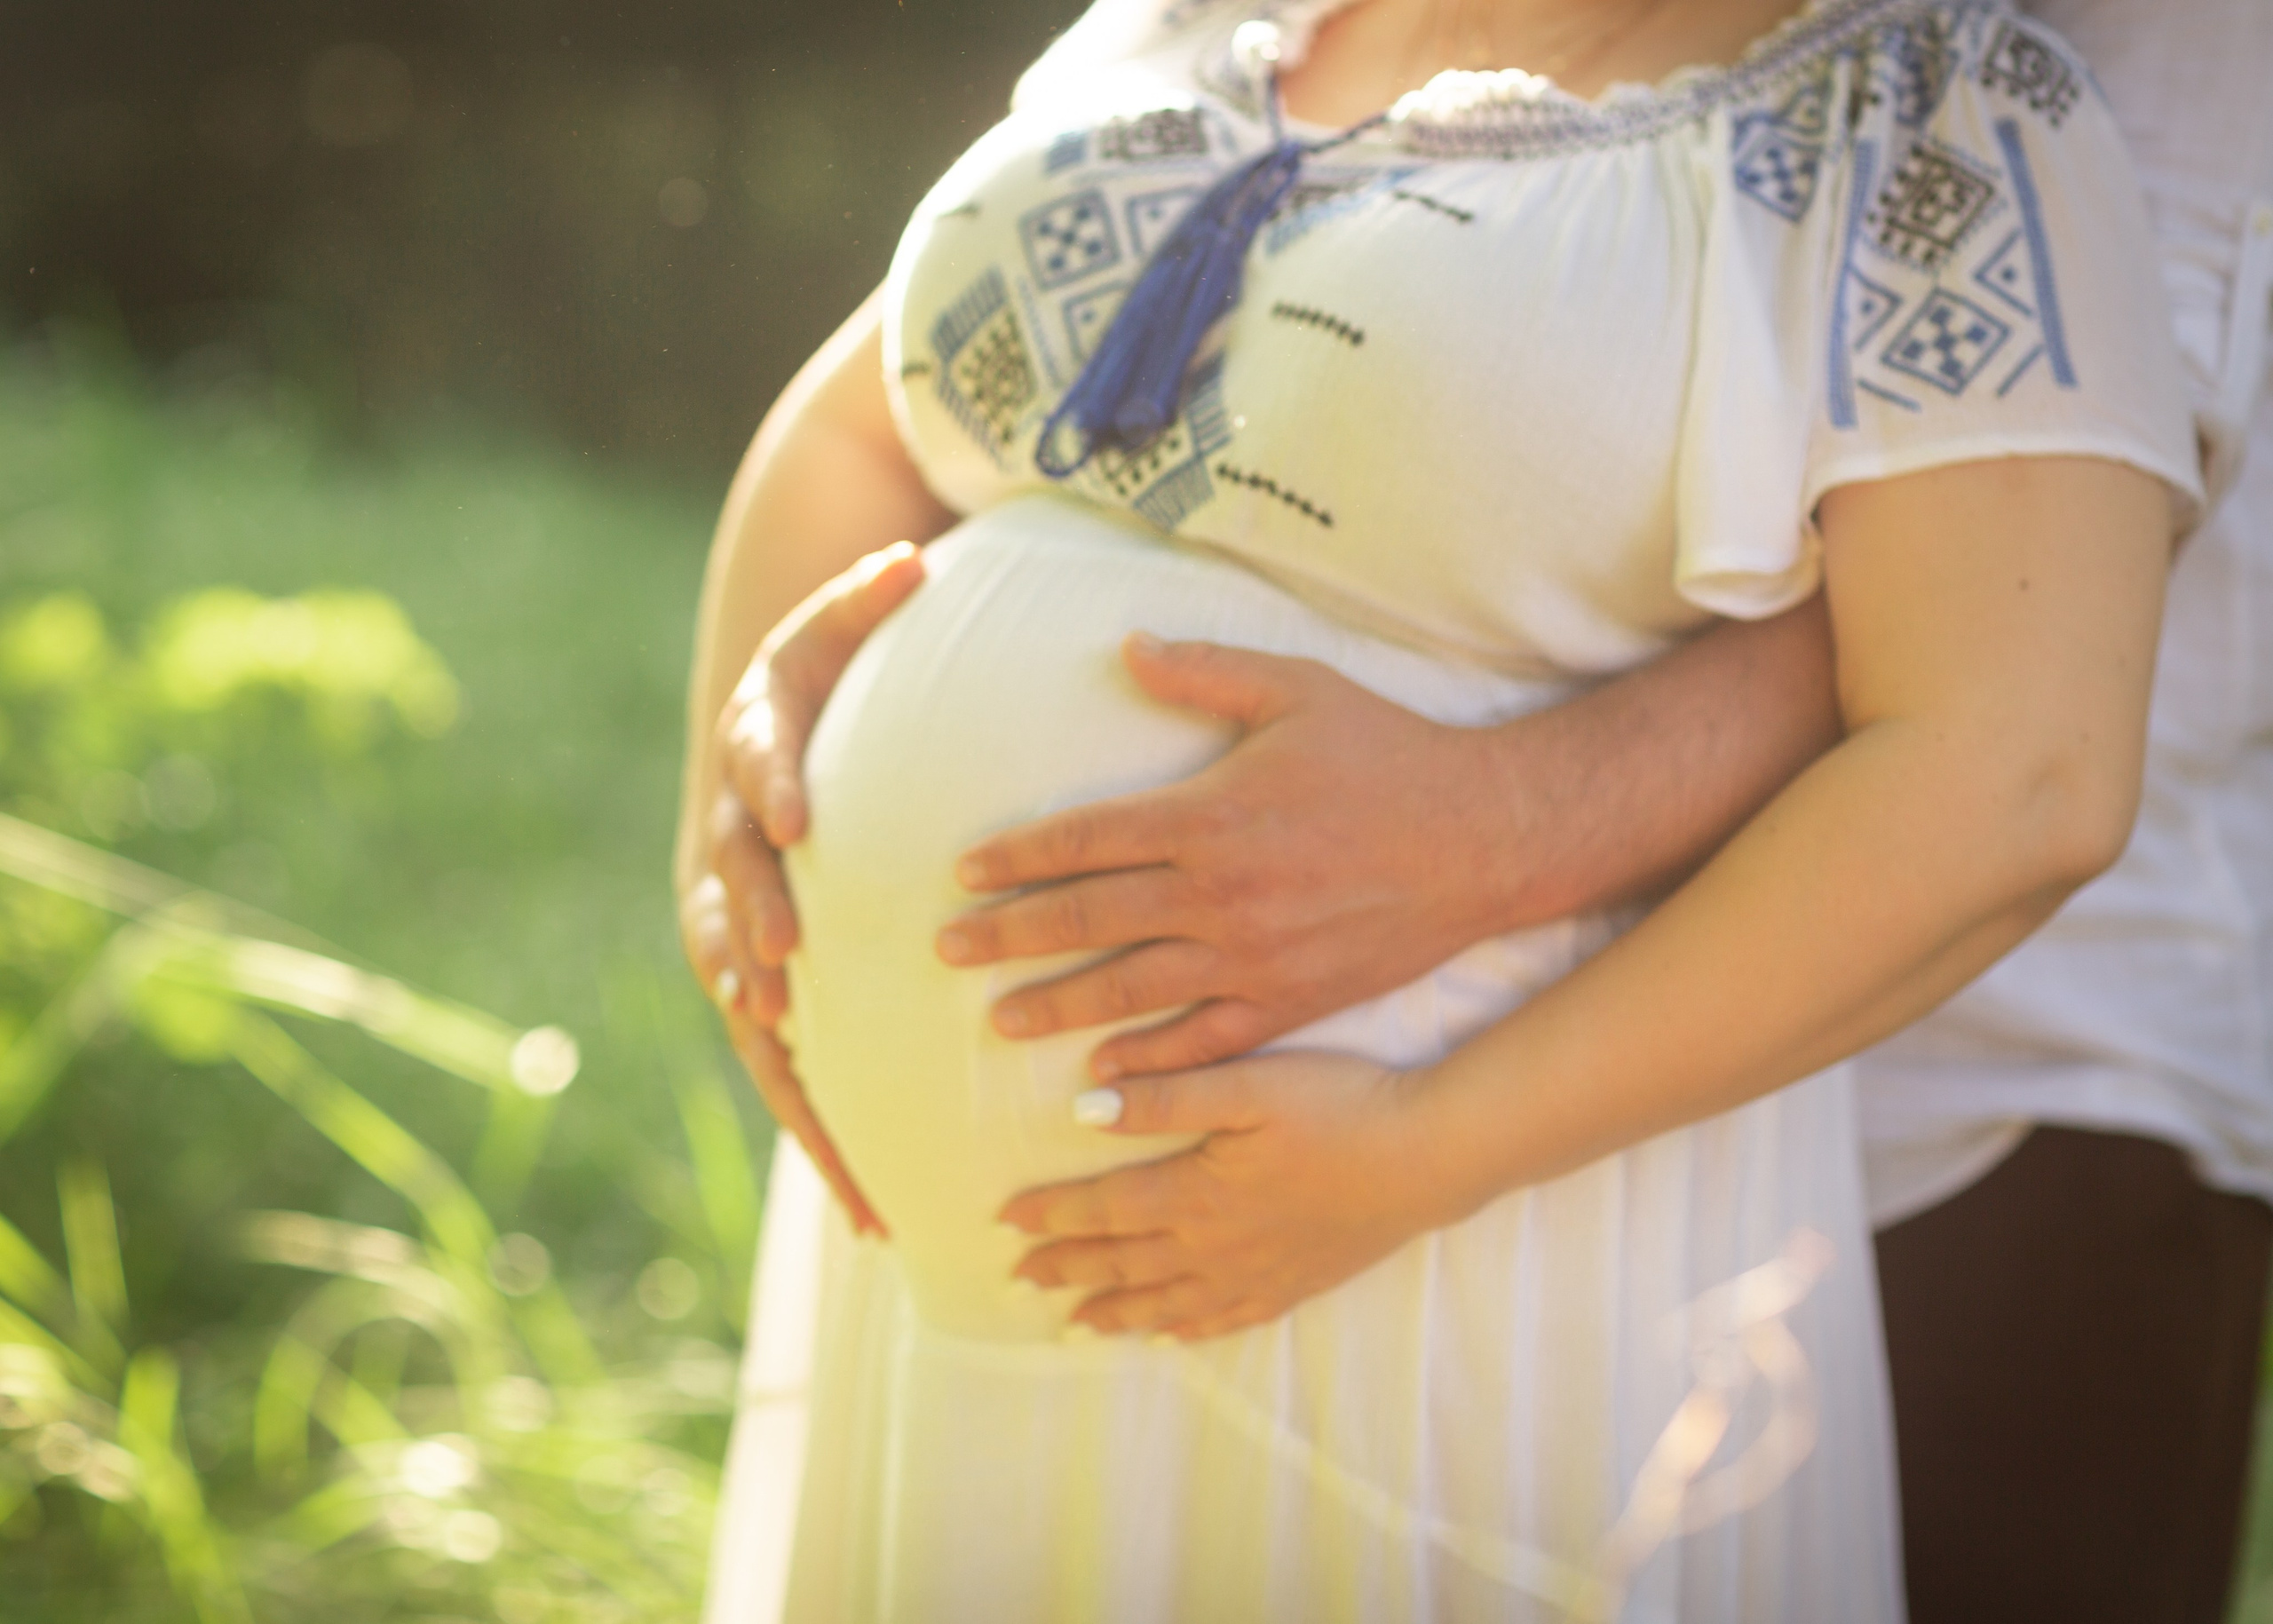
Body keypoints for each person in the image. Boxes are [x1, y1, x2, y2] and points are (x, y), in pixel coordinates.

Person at [680, 0, 2205, 1616]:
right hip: (931, 1304)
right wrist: (741, 817)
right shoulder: (1187, 27)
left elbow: (2015, 776)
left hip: (1438, 1244)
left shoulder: (1935, 116)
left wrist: (1422, 1149)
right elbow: (859, 421)